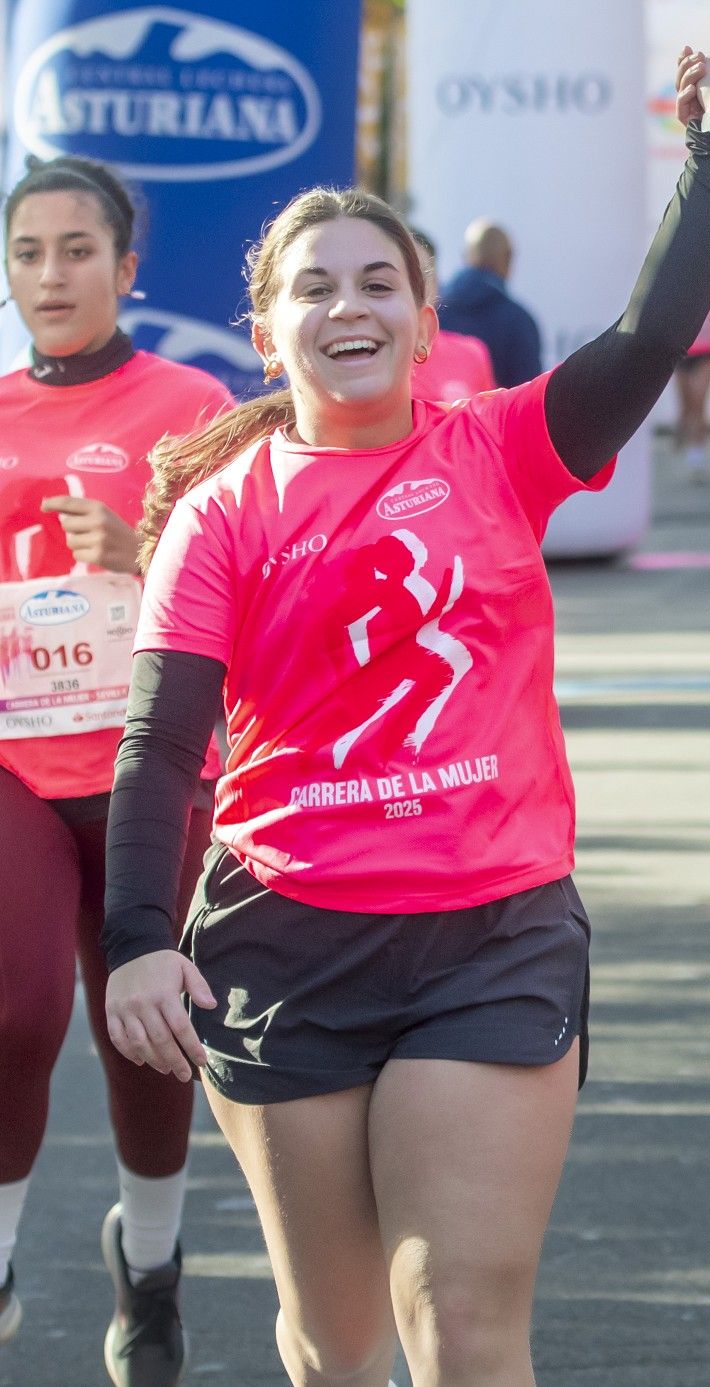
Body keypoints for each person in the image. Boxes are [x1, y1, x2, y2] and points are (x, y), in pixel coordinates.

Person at [95, 50, 710, 1385]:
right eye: (314, 288)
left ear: (426, 320)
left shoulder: (500, 448)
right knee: (336, 1341)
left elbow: (649, 340)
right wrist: (132, 939)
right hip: (285, 936)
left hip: (494, 934)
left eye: (377, 283)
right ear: (265, 330)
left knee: (466, 1327)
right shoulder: (222, 516)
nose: (346, 307)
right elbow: (163, 743)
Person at [0, 154, 231, 1387]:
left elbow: (250, 584)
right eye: (28, 251)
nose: (51, 273)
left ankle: (150, 1269)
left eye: (77, 250)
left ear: (126, 269)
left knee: (146, 1029)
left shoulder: (188, 405)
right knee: (10, 1009)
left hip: (150, 760)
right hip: (13, 762)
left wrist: (145, 547)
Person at [439, 219, 543, 389]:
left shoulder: (434, 314)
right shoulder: (519, 322)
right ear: (509, 257)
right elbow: (529, 399)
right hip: (495, 415)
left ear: (466, 255)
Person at [406, 228, 496, 405]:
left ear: (437, 283)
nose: (411, 287)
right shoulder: (367, 360)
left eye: (421, 275)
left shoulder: (472, 353)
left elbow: (489, 425)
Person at [675, 290, 710, 482]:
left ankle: (697, 458)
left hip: (708, 348)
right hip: (681, 349)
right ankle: (683, 441)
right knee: (686, 406)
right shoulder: (674, 279)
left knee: (699, 403)